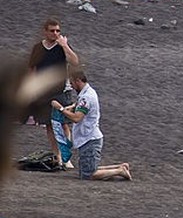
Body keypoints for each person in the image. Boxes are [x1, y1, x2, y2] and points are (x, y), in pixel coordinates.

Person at [52, 69, 131, 181]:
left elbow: (77, 118)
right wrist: (72, 107)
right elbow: (82, 106)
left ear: (78, 81)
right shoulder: (89, 92)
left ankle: (119, 171)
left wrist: (60, 108)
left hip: (89, 139)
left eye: (72, 83)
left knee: (88, 175)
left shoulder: (86, 97)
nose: (72, 87)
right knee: (87, 169)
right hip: (89, 138)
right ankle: (119, 167)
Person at [25, 18, 81, 169]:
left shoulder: (62, 46)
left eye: (57, 31)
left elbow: (75, 62)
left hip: (61, 89)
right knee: (49, 125)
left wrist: (64, 46)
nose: (55, 33)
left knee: (63, 123)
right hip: (43, 92)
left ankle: (66, 156)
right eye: (52, 31)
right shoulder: (38, 48)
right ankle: (57, 155)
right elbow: (32, 69)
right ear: (45, 31)